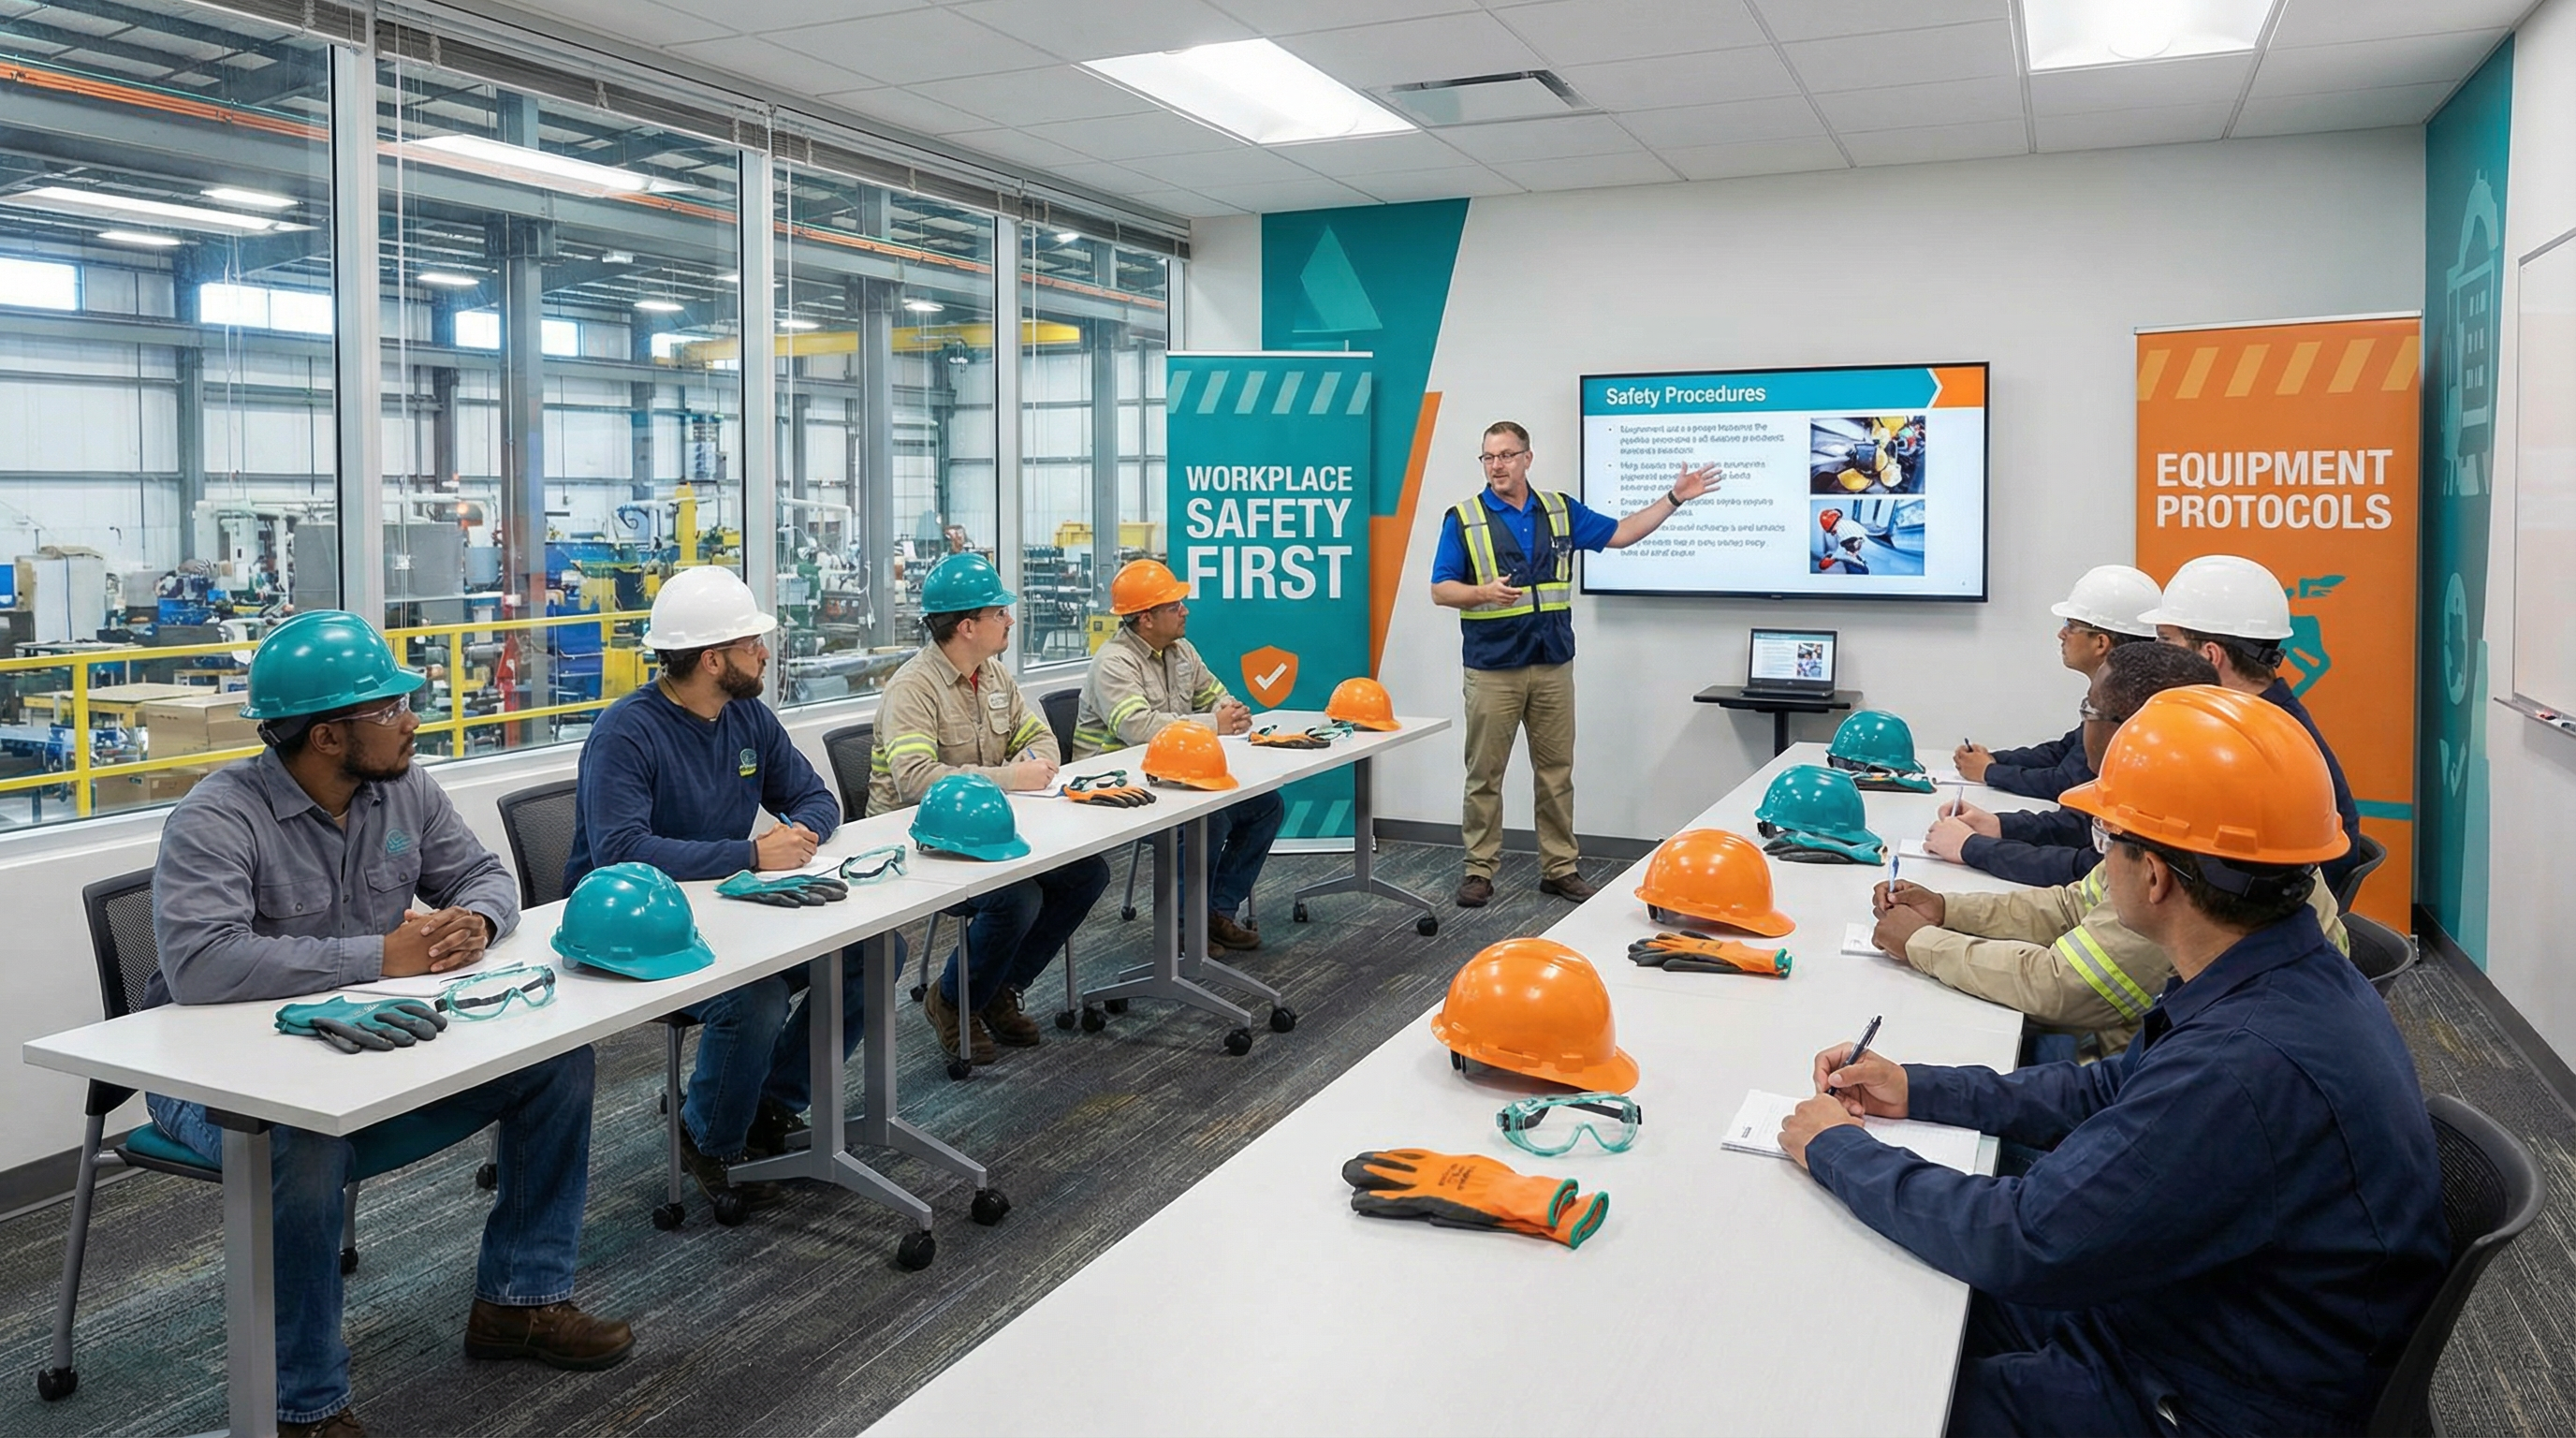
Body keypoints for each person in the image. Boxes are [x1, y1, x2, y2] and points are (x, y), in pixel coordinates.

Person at [1783, 684, 2446, 1436]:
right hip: (2194, 1311)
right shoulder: (2280, 975)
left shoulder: (2239, 1067)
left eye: (2108, 842)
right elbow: (2107, 1088)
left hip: (2202, 1394)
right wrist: (1916, 1087)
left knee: (1867, 1397)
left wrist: (1837, 1150)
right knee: (1891, 1304)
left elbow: (2026, 1238)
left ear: (2157, 876)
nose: (2099, 865)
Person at [151, 611, 631, 1438]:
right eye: (390, 709)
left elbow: (483, 873)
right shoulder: (217, 818)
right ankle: (302, 1407)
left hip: (371, 1049)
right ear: (328, 737)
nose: (413, 719)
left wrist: (476, 920)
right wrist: (380, 957)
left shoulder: (405, 787)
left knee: (558, 1063)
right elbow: (202, 965)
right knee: (297, 1144)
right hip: (219, 1082)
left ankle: (520, 1301)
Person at [563, 565, 861, 1215]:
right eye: (752, 642)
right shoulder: (626, 732)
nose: (764, 651)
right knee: (757, 995)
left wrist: (801, 835)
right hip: (638, 931)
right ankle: (709, 1136)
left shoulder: (746, 716)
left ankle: (771, 1106)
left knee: (870, 952)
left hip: (728, 912)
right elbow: (620, 852)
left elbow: (815, 798)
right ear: (711, 659)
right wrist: (752, 853)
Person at [1880, 649, 2347, 1059]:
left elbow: (2063, 988)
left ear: (2134, 727)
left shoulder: (2184, 850)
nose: (2083, 720)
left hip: (2133, 1063)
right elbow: (2076, 903)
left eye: (2089, 708)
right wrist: (1947, 910)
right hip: (2161, 1054)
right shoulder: (2197, 799)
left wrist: (1922, 943)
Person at [1429, 420, 1718, 906]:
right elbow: (1441, 589)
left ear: (1527, 457)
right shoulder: (1464, 518)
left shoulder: (1560, 510)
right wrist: (1482, 593)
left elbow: (1623, 534)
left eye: (1505, 455)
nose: (1496, 466)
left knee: (1556, 773)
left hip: (1552, 666)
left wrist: (1674, 498)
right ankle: (1479, 870)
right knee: (1484, 776)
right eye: (1488, 458)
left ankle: (1559, 868)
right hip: (1492, 668)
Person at [873, 552, 1108, 1060]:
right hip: (919, 845)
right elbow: (916, 781)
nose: (1010, 620)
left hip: (989, 832)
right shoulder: (911, 689)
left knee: (1086, 874)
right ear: (966, 626)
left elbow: (1041, 741)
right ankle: (953, 1000)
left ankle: (999, 985)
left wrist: (1032, 765)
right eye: (999, 613)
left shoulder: (995, 675)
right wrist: (1011, 776)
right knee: (1017, 898)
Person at [1073, 558, 1277, 950]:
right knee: (1208, 821)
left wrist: (1230, 711)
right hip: (1120, 785)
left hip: (1175, 777)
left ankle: (1216, 912)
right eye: (1174, 606)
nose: (1185, 611)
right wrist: (1216, 723)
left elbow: (1215, 694)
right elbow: (1139, 729)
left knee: (1265, 806)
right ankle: (1185, 928)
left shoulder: (1181, 650)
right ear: (1146, 618)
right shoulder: (1114, 663)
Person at [2144, 552, 2364, 896]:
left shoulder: (2252, 748)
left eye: (2166, 640)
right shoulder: (2259, 722)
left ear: (2209, 656)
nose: (2156, 654)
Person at [1926, 642, 2214, 888]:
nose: (2061, 634)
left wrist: (1974, 847)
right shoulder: (2188, 775)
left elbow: (2085, 869)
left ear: (2129, 727)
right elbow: (2080, 830)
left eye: (2088, 710)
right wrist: (1998, 825)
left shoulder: (2164, 812)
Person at [1954, 564, 2161, 799]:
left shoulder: (2126, 708)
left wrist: (1989, 772)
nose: (2061, 634)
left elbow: (2068, 782)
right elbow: (2063, 751)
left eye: (2071, 626)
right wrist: (1995, 759)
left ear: (2101, 643)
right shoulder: (2121, 694)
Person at [1815, 506, 1870, 574]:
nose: (1833, 533)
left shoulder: (1843, 531)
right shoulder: (1847, 524)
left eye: (1832, 531)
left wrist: (1833, 559)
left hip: (1855, 558)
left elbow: (1843, 549)